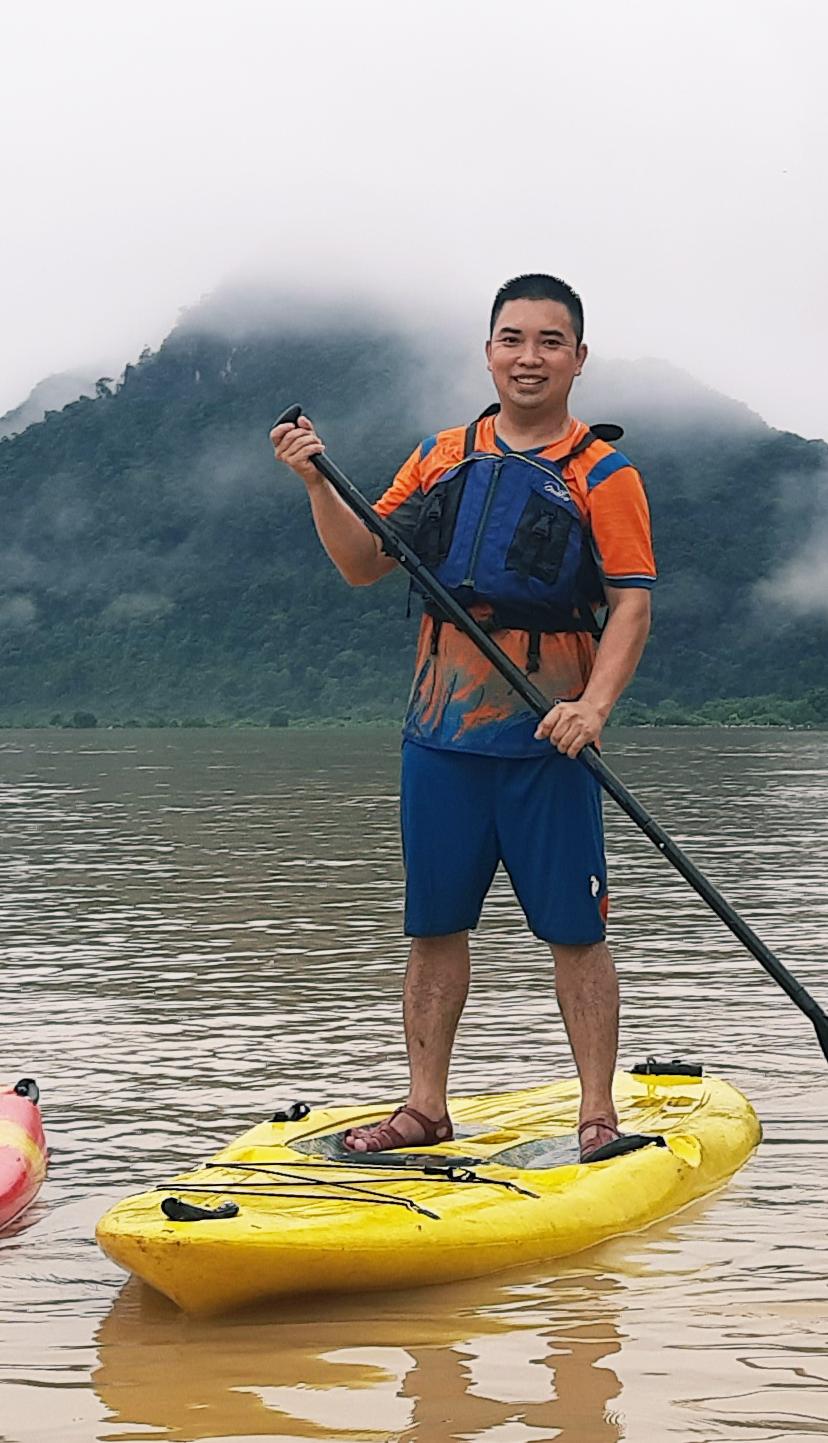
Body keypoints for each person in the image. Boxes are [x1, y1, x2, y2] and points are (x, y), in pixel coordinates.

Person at [268, 273, 656, 1157]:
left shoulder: (604, 474)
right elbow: (364, 562)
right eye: (512, 339)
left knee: (573, 930)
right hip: (439, 738)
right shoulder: (441, 456)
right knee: (433, 925)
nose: (529, 358)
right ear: (488, 351)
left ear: (578, 359)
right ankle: (423, 1107)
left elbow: (630, 605)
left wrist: (591, 707)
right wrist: (315, 484)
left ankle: (597, 1115)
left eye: (549, 342)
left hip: (547, 741)